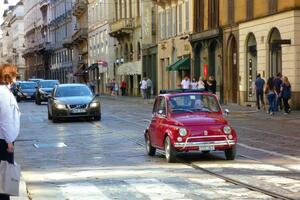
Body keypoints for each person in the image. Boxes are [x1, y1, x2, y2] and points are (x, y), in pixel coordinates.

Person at [0, 64, 21, 200]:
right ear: (9, 76)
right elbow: (4, 118)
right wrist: (9, 141)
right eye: (15, 75)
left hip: (4, 138)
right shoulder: (3, 93)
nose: (15, 78)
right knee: (4, 174)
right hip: (3, 140)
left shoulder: (5, 91)